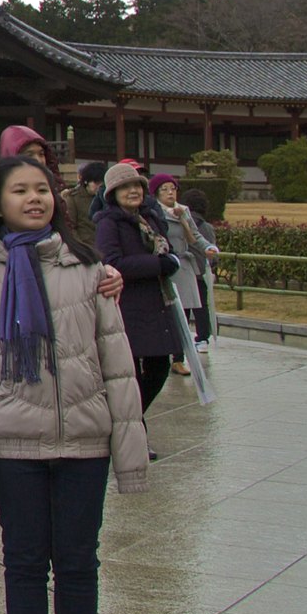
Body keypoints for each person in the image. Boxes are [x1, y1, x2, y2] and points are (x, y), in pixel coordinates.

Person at [0, 154, 147, 614]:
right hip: (14, 444)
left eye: (43, 189)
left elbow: (117, 362)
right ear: (0, 202)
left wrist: (129, 452)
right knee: (25, 560)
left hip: (85, 441)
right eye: (20, 190)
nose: (34, 199)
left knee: (80, 559)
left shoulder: (89, 269)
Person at [94, 164, 182, 425]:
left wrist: (171, 260)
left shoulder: (151, 218)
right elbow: (111, 262)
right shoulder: (108, 223)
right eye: (125, 187)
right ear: (112, 193)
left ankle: (130, 420)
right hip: (129, 305)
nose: (133, 191)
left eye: (137, 186)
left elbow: (167, 249)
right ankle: (132, 426)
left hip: (157, 303)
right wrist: (157, 265)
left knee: (160, 367)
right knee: (131, 372)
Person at [151, 175, 214, 359]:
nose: (170, 192)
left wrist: (208, 247)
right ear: (156, 193)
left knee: (184, 312)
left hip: (183, 265)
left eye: (173, 188)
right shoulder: (154, 212)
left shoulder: (183, 211)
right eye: (165, 189)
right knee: (167, 313)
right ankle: (165, 352)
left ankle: (179, 358)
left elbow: (195, 236)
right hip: (164, 264)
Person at [181, 187, 219, 347]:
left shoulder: (180, 224)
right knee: (202, 307)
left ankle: (182, 340)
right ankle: (202, 338)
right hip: (200, 273)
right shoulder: (207, 227)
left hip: (183, 272)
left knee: (183, 308)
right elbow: (212, 252)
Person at [67, 162, 104, 236]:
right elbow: (70, 226)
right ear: (86, 181)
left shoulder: (106, 198)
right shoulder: (73, 198)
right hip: (84, 243)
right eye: (96, 183)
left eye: (102, 184)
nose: (99, 187)